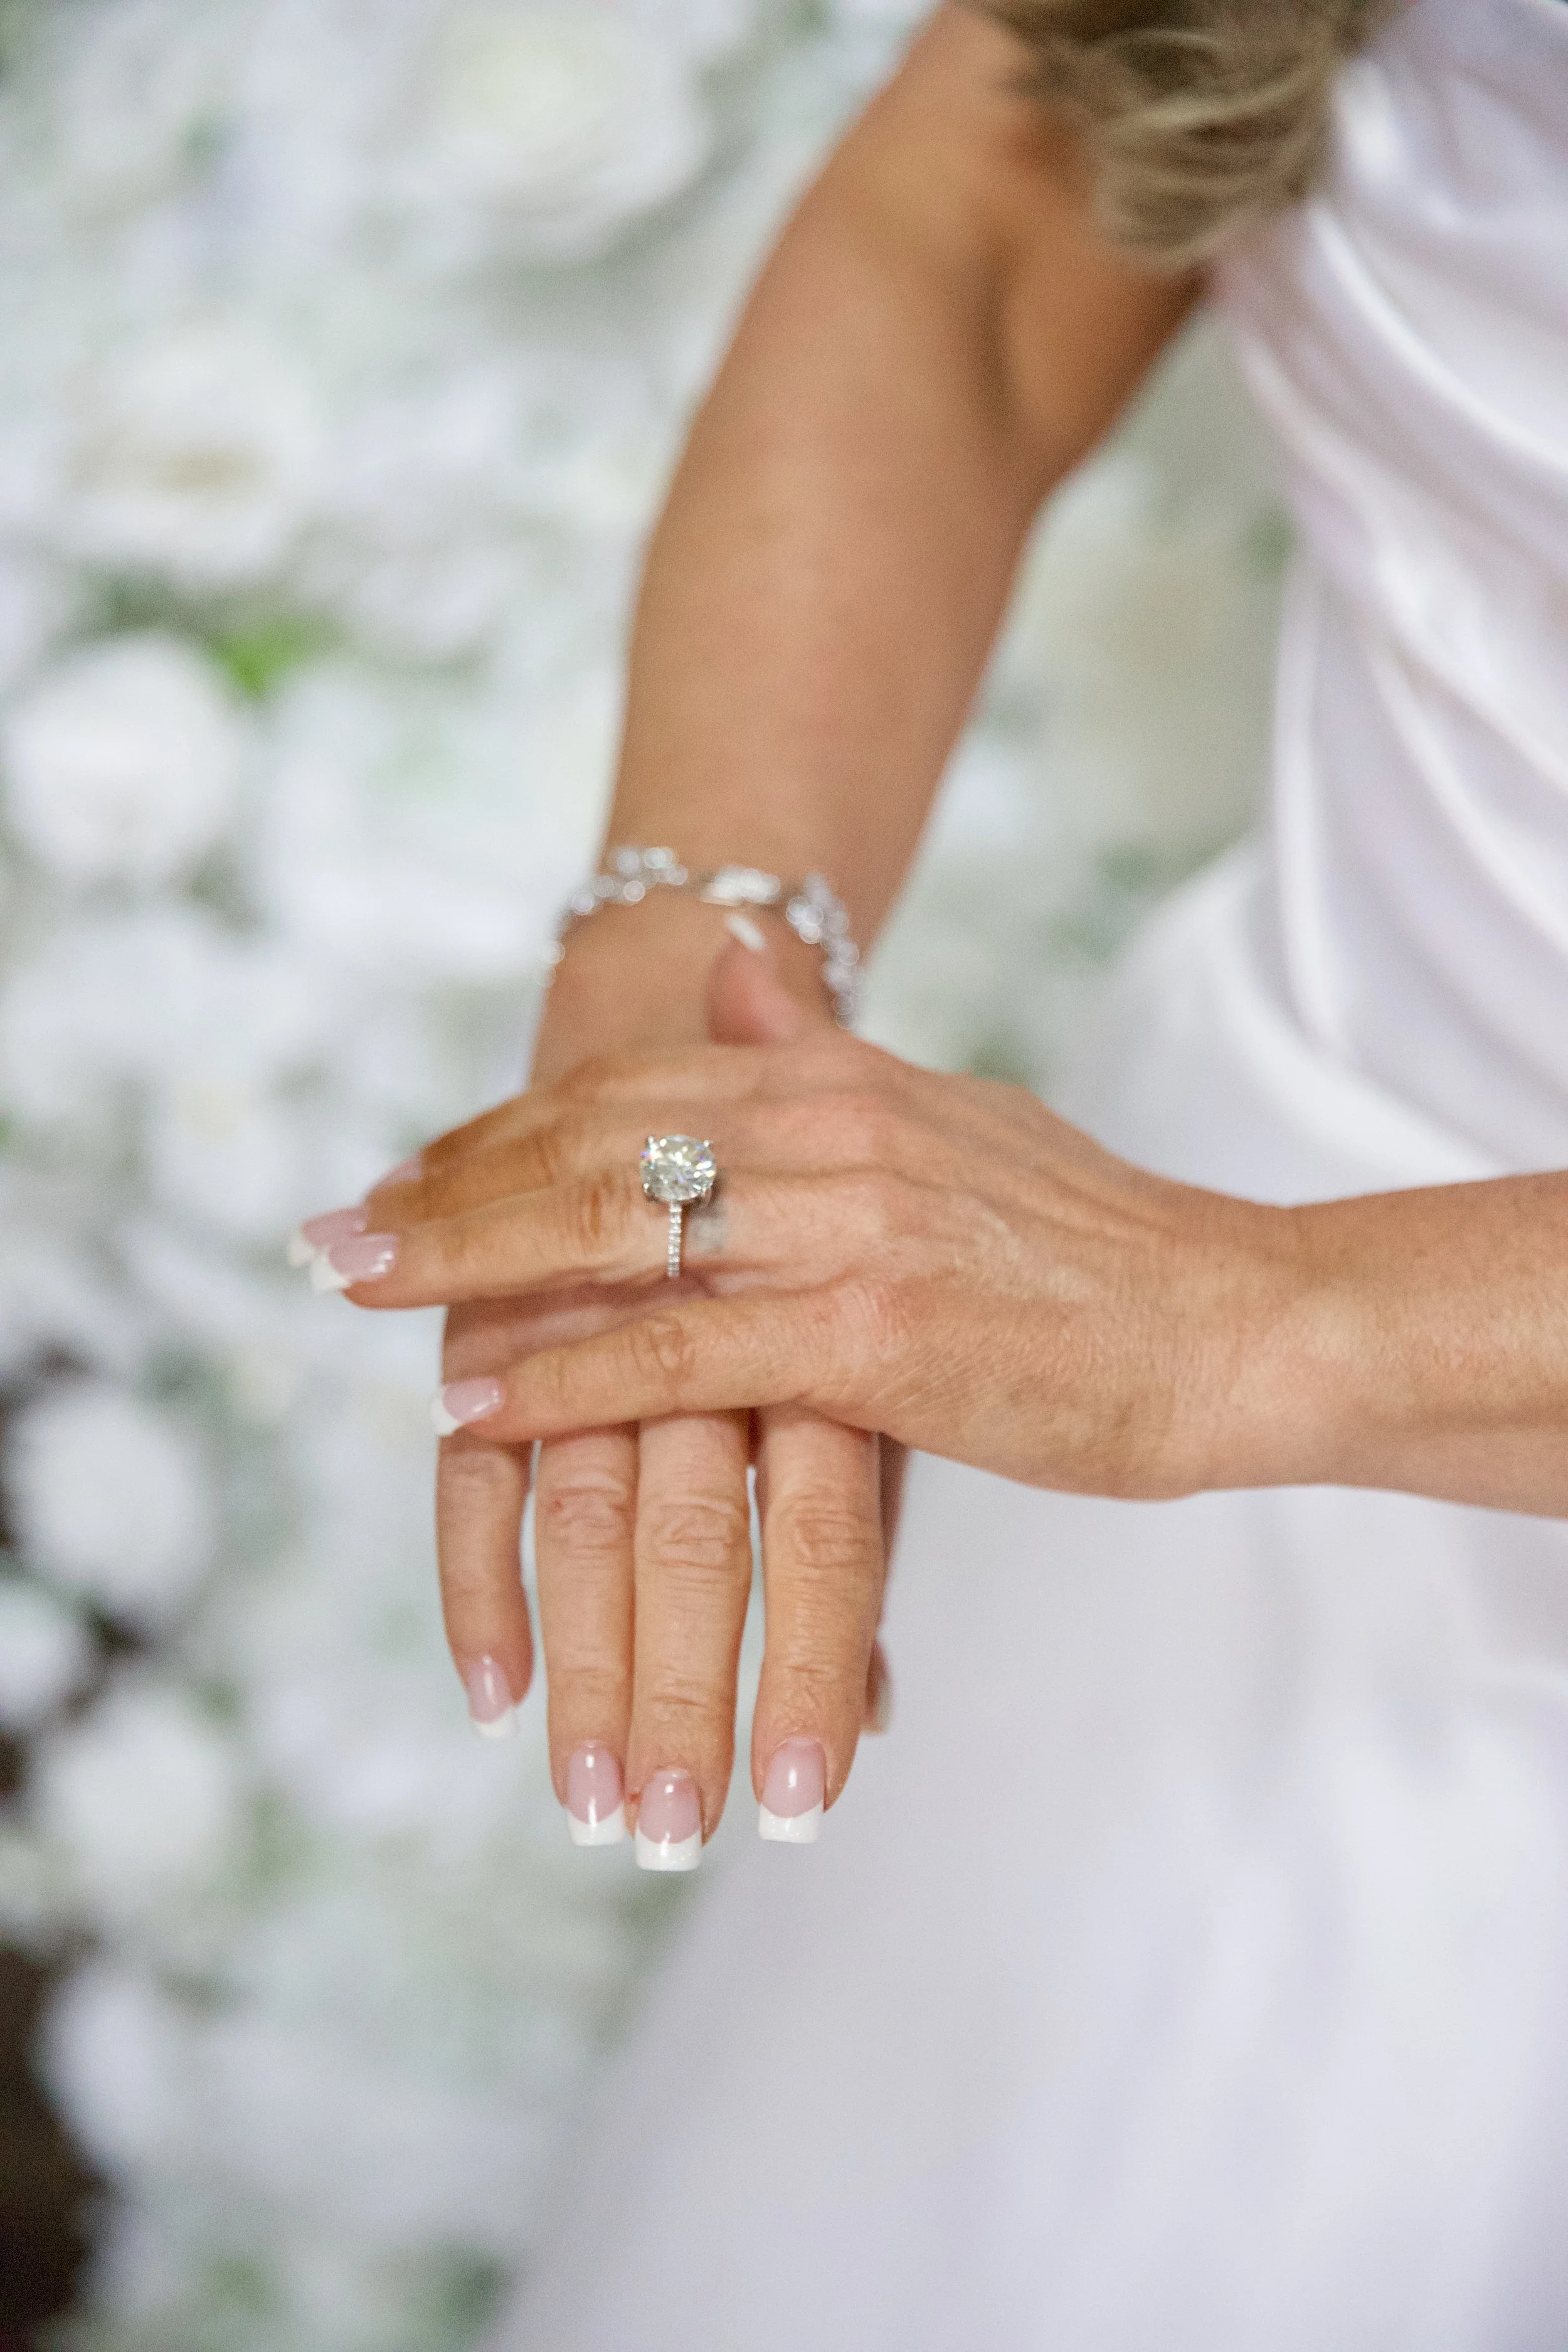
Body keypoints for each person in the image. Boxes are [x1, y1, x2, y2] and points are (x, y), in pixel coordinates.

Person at [294, 0, 1568, 2341]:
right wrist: (683, 1005)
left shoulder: (1209, 1324)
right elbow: (993, 186)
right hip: (1192, 1296)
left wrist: (1270, 1324)